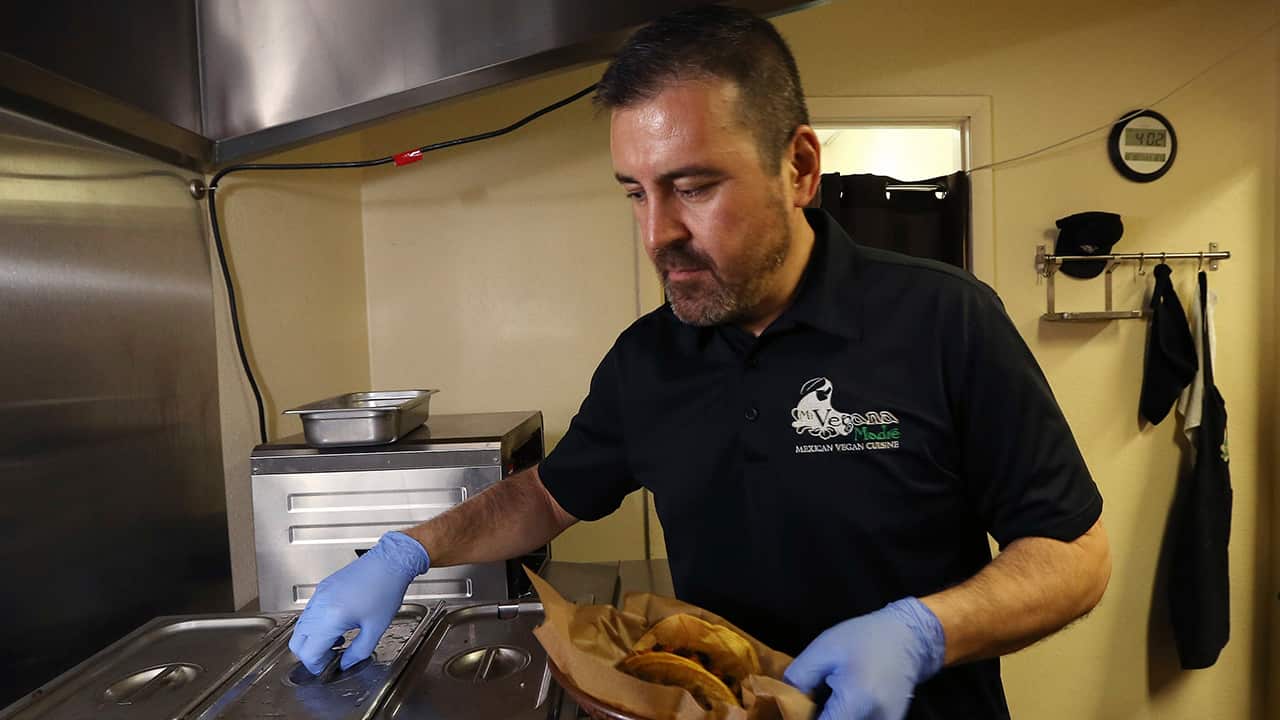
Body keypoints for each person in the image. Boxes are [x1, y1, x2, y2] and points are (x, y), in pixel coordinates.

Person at [288, 6, 1111, 719]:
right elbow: (545, 495)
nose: (657, 235)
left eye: (693, 186)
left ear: (799, 167)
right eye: (636, 193)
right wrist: (404, 552)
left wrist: (925, 631)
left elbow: (1075, 554)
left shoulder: (943, 319)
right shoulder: (648, 359)